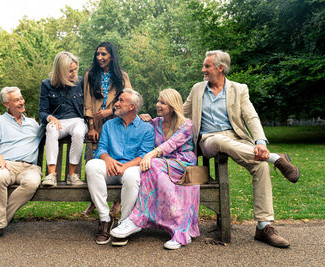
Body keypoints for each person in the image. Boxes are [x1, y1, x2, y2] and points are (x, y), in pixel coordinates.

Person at [183, 50, 300, 248]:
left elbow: (251, 117)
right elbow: (181, 112)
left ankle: (264, 226)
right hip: (209, 140)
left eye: (207, 66)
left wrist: (260, 142)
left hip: (236, 137)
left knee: (260, 166)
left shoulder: (239, 89)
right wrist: (152, 119)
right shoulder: (197, 89)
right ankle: (275, 158)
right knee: (220, 141)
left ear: (220, 68)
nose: (203, 70)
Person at [110, 89, 200, 250]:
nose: (158, 105)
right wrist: (141, 117)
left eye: (162, 102)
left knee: (151, 164)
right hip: (162, 165)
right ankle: (145, 219)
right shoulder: (156, 123)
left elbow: (171, 144)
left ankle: (143, 219)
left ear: (172, 106)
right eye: (158, 101)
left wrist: (151, 154)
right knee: (151, 167)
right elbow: (137, 126)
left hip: (182, 164)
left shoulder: (186, 124)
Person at [0, 87, 44, 244]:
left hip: (30, 168)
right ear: (6, 104)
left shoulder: (33, 123)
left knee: (32, 183)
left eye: (21, 98)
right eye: (16, 100)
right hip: (8, 165)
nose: (21, 102)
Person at [85, 88, 155, 245]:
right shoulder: (109, 125)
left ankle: (125, 223)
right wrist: (108, 159)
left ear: (132, 107)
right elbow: (101, 148)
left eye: (121, 101)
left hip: (131, 168)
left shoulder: (146, 129)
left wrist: (125, 166)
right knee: (92, 165)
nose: (116, 103)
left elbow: (145, 155)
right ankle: (105, 219)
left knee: (131, 175)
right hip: (111, 168)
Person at [83, 42, 132, 215]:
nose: (100, 58)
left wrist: (110, 111)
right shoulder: (90, 74)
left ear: (111, 56)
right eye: (97, 54)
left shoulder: (121, 75)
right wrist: (91, 126)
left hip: (117, 122)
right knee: (95, 160)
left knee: (118, 157)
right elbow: (88, 102)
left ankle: (117, 203)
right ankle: (95, 201)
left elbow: (130, 99)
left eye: (104, 54)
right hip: (97, 123)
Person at [38, 51, 87, 186]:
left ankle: (72, 175)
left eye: (76, 69)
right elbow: (42, 111)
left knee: (78, 133)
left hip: (77, 120)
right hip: (58, 121)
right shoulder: (47, 84)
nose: (74, 73)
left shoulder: (81, 82)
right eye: (70, 71)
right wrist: (50, 117)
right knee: (52, 129)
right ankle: (51, 174)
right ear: (60, 71)